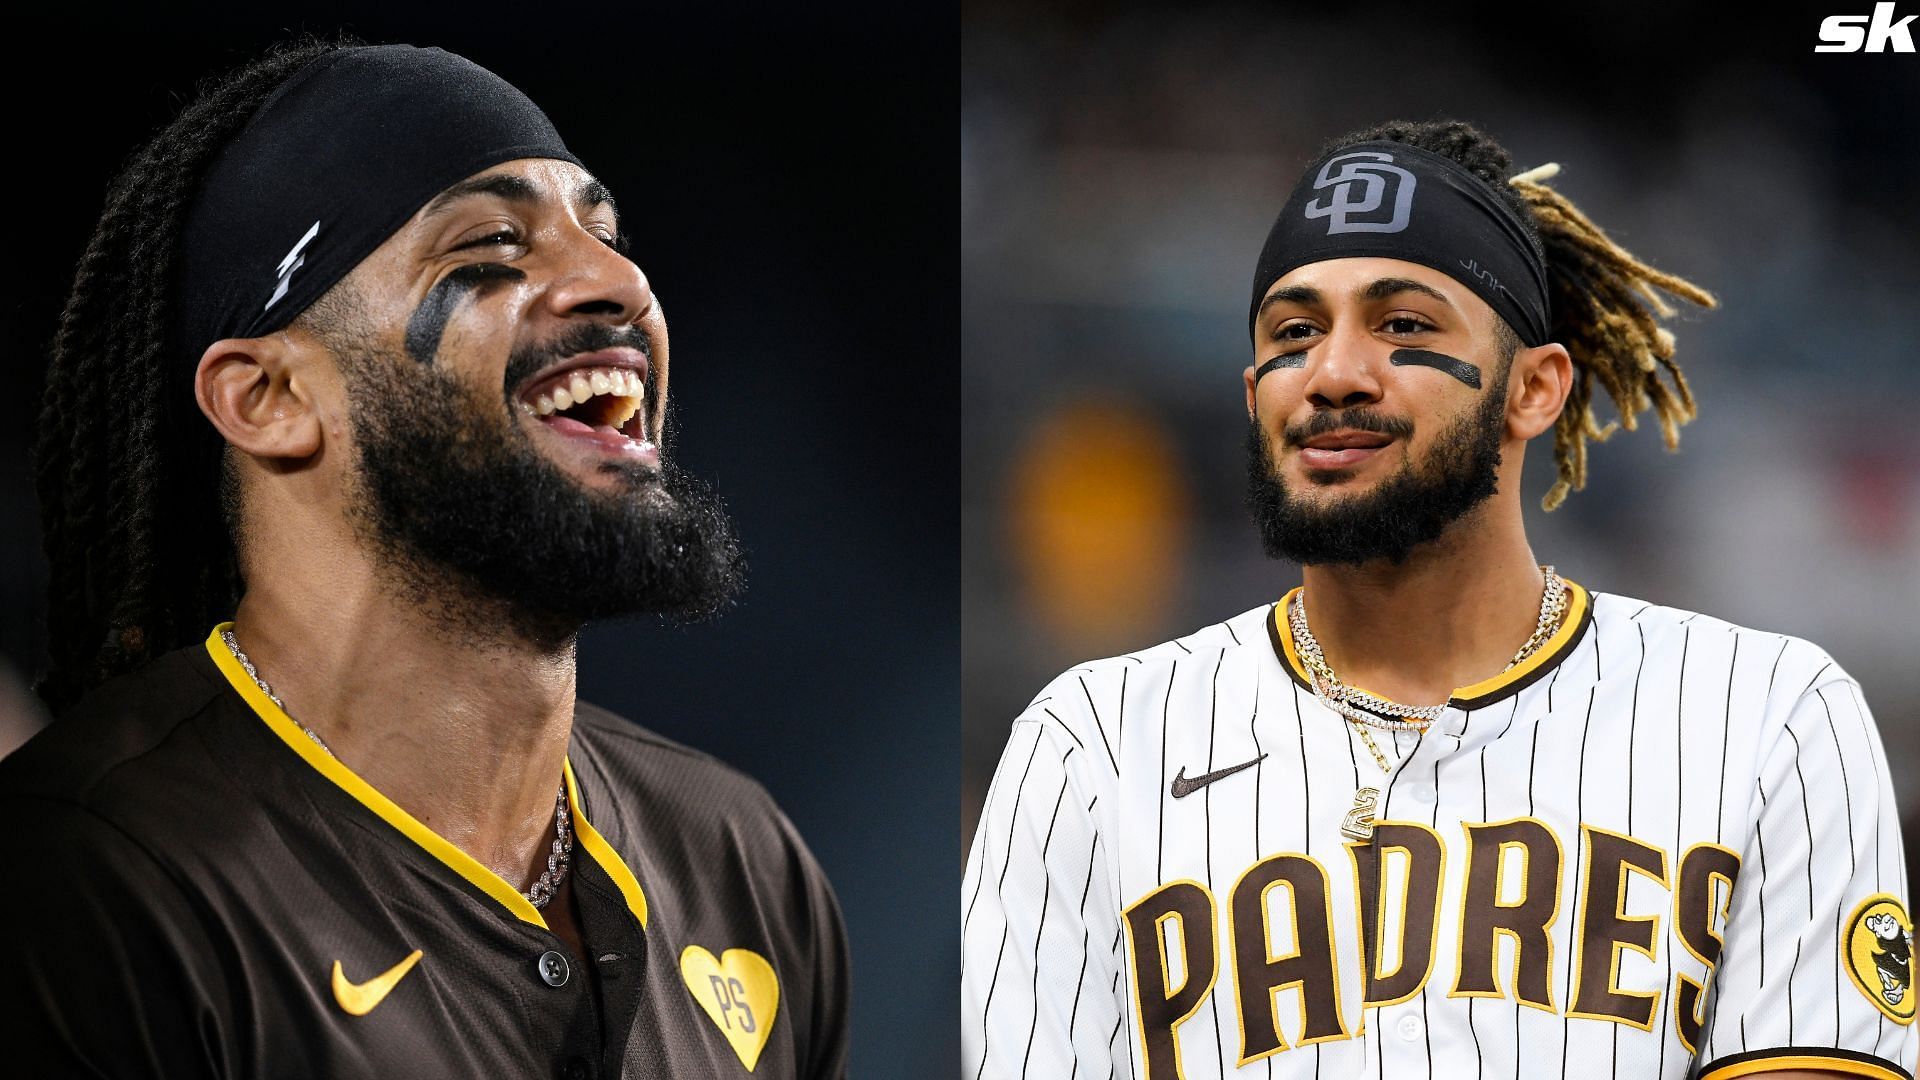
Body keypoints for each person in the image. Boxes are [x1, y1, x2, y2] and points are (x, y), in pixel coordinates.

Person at [962, 119, 1914, 1080]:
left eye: (1404, 325)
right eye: (1295, 332)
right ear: (1255, 395)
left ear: (1534, 389)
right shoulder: (1092, 744)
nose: (1333, 373)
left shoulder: (1771, 716)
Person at [2, 39, 849, 1078]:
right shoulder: (93, 881)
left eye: (609, 234)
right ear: (269, 399)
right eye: (494, 243)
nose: (620, 282)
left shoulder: (737, 856)